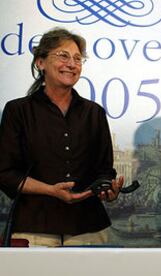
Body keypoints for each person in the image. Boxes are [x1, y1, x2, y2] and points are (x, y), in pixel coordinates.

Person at [0, 27, 124, 247]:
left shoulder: (94, 113)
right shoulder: (17, 110)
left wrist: (108, 190)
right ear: (40, 63)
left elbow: (104, 170)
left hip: (88, 228)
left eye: (78, 58)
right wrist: (50, 190)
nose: (72, 64)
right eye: (63, 56)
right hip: (34, 228)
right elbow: (5, 173)